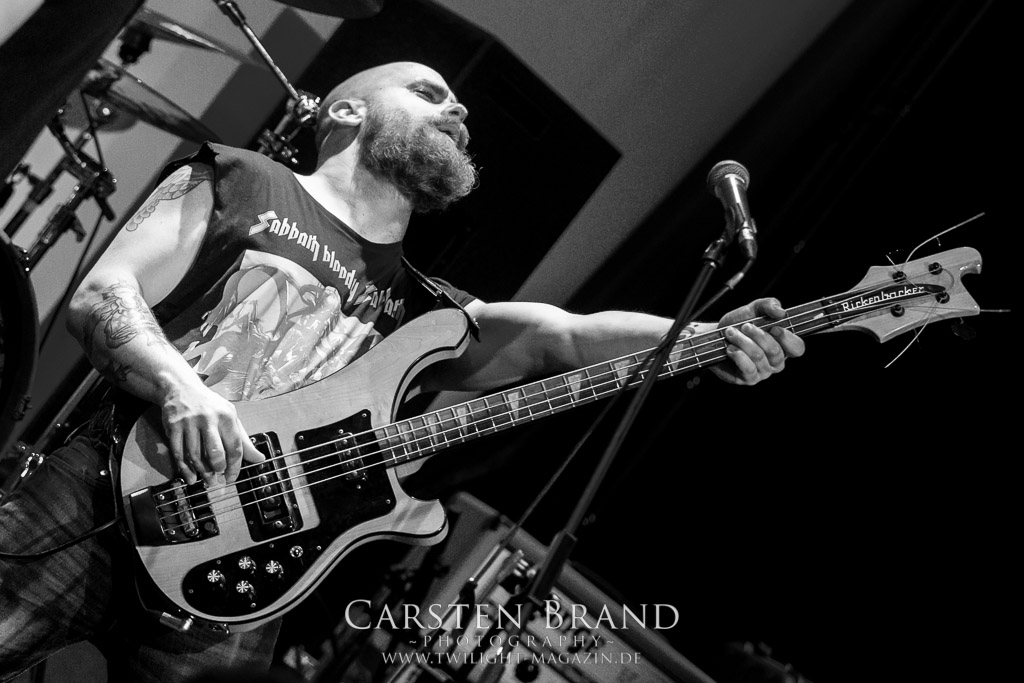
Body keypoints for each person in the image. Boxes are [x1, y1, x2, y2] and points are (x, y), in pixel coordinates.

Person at [0, 61, 804, 682]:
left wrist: (708, 334)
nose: (458, 111)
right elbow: (104, 294)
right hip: (108, 495)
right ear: (347, 111)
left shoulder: (428, 315)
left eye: (458, 106)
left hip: (249, 575)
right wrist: (183, 388)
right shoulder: (244, 180)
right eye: (428, 93)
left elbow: (564, 338)